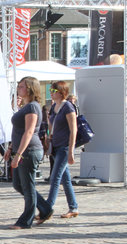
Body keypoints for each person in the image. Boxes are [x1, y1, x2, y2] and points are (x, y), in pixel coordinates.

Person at [5, 77, 53, 229]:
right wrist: (11, 148)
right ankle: (45, 208)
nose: (19, 89)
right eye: (18, 86)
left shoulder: (33, 107)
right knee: (19, 184)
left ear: (31, 88)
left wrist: (19, 154)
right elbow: (18, 130)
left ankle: (26, 220)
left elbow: (29, 131)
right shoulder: (26, 107)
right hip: (21, 149)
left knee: (27, 186)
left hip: (29, 150)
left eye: (22, 87)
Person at [44, 80, 79, 220]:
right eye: (50, 91)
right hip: (56, 145)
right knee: (65, 179)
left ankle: (47, 208)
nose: (51, 94)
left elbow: (73, 130)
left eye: (54, 91)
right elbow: (51, 125)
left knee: (55, 178)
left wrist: (71, 150)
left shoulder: (68, 107)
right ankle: (73, 207)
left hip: (64, 147)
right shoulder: (54, 107)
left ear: (61, 92)